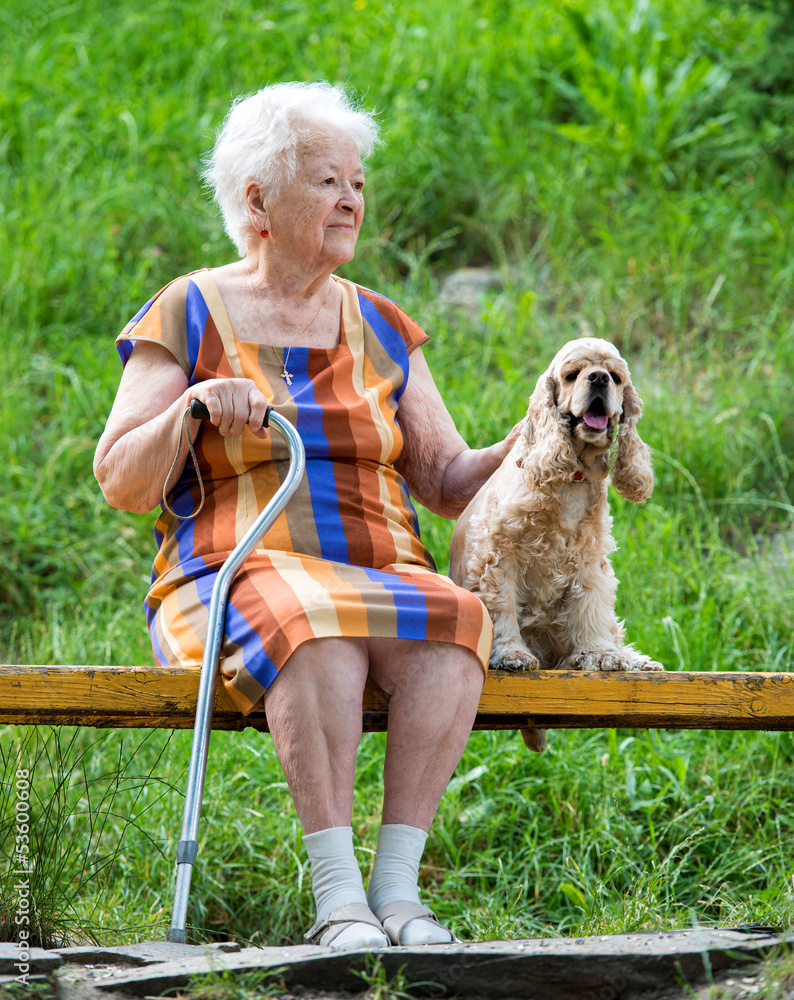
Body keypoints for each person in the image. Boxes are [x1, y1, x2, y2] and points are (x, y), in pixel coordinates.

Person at [94, 81, 518, 951]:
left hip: (376, 570)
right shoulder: (189, 310)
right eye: (328, 181)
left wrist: (531, 441)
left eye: (357, 181)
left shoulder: (379, 324)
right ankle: (339, 899)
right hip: (232, 575)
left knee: (454, 620)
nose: (353, 198)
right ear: (258, 200)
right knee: (313, 622)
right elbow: (120, 479)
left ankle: (398, 894)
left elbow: (445, 481)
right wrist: (194, 410)